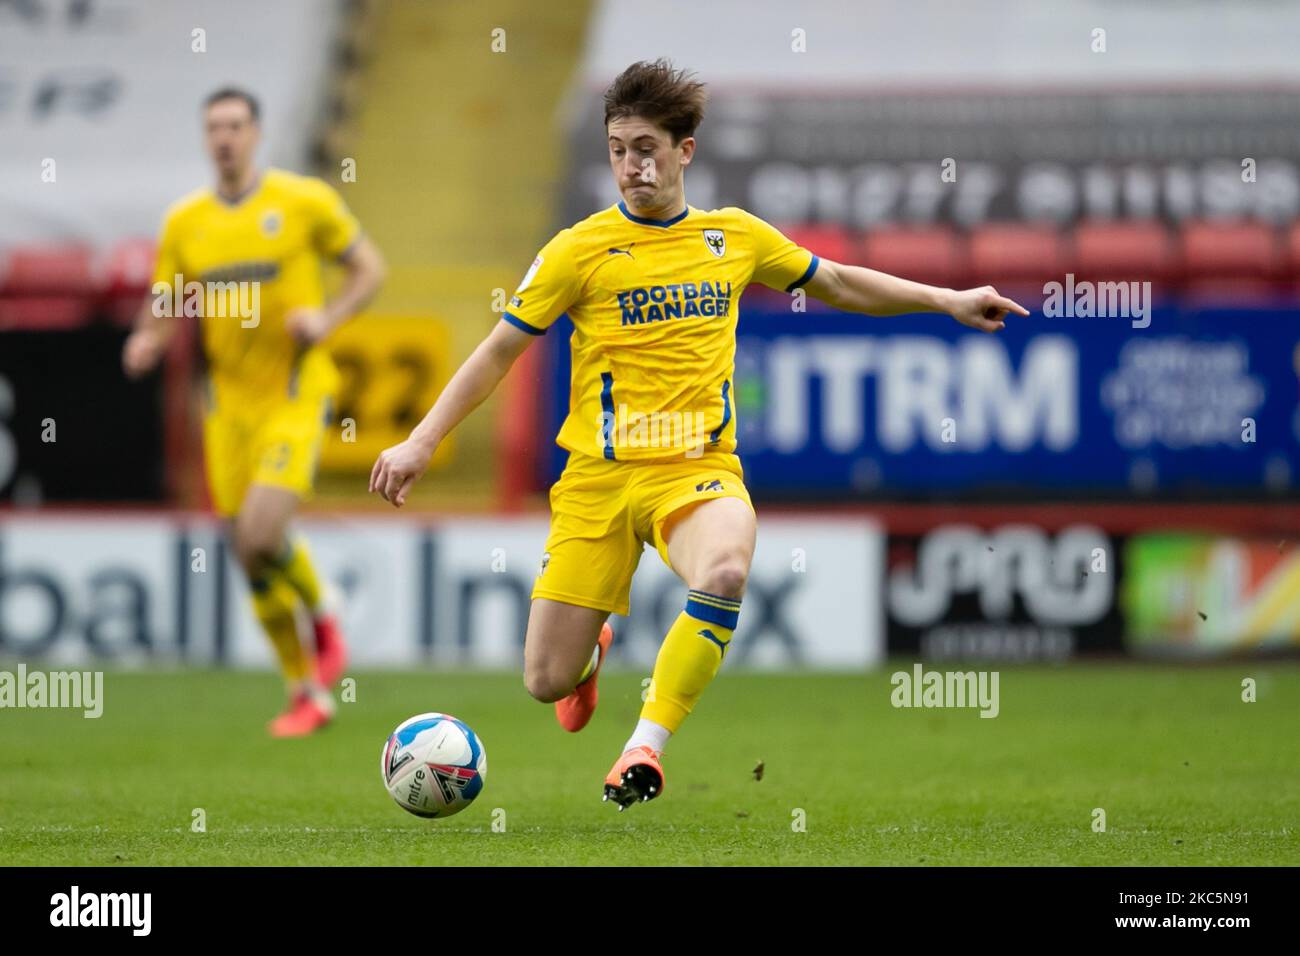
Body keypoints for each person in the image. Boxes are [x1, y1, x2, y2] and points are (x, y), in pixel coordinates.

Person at [369, 59, 1023, 807]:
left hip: (696, 468)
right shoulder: (578, 250)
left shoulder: (733, 237)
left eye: (646, 146)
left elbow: (838, 282)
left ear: (685, 150)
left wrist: (947, 299)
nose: (631, 164)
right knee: (544, 679)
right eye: (617, 148)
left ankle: (645, 747)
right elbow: (498, 352)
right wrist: (421, 440)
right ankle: (588, 661)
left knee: (725, 573)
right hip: (599, 478)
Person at [124, 87, 386, 736]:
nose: (225, 137)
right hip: (227, 408)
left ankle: (325, 615)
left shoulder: (303, 202)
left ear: (257, 134)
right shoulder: (187, 222)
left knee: (262, 535)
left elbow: (369, 269)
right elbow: (164, 298)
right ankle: (305, 693)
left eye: (236, 125)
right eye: (214, 126)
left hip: (293, 393)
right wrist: (147, 338)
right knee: (246, 553)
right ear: (205, 137)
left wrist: (326, 318)